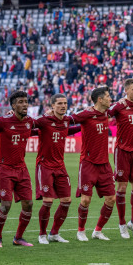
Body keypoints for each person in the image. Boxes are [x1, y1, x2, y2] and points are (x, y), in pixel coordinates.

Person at [0, 91, 36, 248]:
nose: (25, 104)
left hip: (22, 168)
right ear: (13, 105)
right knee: (6, 205)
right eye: (21, 102)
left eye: (26, 101)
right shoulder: (3, 122)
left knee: (29, 204)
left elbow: (43, 128)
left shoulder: (30, 122)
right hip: (5, 168)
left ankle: (18, 237)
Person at [33, 94, 81, 244]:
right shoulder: (43, 121)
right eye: (59, 103)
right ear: (52, 106)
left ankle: (54, 233)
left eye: (65, 103)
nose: (63, 106)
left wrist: (91, 122)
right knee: (47, 201)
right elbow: (27, 126)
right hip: (45, 166)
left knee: (66, 200)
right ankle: (42, 234)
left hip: (60, 166)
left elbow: (74, 128)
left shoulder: (66, 121)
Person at [70, 86, 116, 242]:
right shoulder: (86, 114)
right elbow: (68, 120)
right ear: (100, 99)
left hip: (104, 164)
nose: (111, 98)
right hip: (88, 163)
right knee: (85, 200)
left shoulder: (107, 113)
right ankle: (80, 231)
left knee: (111, 199)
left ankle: (97, 231)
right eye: (108, 96)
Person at [107, 79, 133, 239]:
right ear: (126, 91)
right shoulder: (119, 106)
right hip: (122, 151)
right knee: (122, 188)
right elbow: (104, 113)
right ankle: (122, 224)